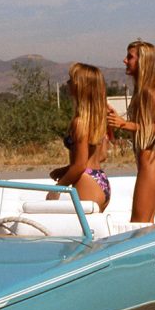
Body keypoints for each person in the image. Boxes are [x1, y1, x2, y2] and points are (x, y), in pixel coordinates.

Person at [107, 40, 155, 222]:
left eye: (130, 57)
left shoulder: (148, 92)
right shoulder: (141, 91)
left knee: (138, 224)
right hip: (149, 160)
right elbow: (143, 126)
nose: (125, 60)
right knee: (146, 225)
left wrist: (125, 124)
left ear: (143, 61)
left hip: (152, 161)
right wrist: (117, 120)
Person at [49, 63, 111, 211]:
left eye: (71, 80)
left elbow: (80, 165)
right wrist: (64, 170)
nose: (67, 83)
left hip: (85, 180)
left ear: (80, 86)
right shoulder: (98, 119)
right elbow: (102, 156)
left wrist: (58, 188)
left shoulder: (80, 123)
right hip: (100, 179)